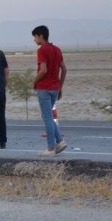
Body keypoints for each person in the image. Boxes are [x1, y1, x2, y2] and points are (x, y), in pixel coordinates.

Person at [31, 25, 68, 157]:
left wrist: (34, 81)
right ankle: (60, 141)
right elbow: (64, 69)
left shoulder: (42, 50)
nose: (34, 40)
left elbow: (43, 70)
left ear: (41, 36)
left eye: (35, 37)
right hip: (54, 88)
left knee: (47, 117)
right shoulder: (57, 49)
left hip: (44, 88)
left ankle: (51, 148)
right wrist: (60, 87)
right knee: (48, 116)